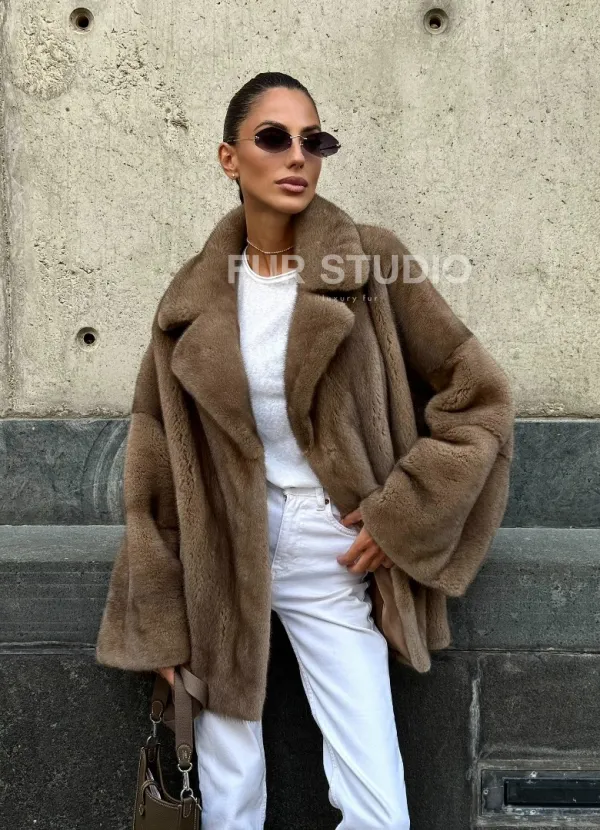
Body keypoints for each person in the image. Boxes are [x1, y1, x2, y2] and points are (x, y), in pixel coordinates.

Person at [96, 71, 515, 830]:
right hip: (221, 555)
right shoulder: (191, 298)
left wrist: (400, 516)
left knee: (378, 806)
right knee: (227, 801)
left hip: (332, 543)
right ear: (229, 158)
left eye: (314, 140)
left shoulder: (373, 265)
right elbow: (156, 465)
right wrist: (159, 614)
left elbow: (478, 397)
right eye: (274, 138)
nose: (298, 156)